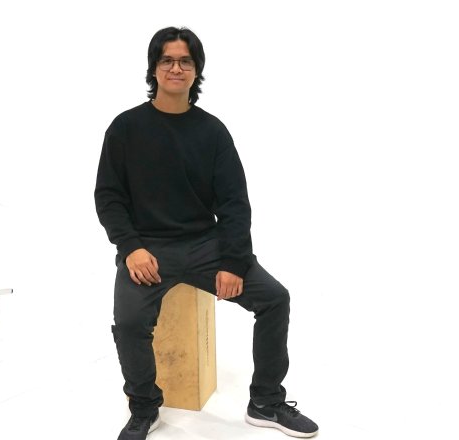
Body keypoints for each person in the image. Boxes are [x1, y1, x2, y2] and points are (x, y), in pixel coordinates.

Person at [94, 26, 319, 440]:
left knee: (275, 299)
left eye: (185, 61)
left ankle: (266, 401)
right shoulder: (125, 128)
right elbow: (108, 197)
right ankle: (144, 406)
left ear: (196, 71)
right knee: (128, 323)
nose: (175, 68)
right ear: (154, 68)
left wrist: (232, 262)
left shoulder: (212, 132)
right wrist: (131, 248)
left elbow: (234, 204)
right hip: (148, 249)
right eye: (167, 60)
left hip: (204, 246)